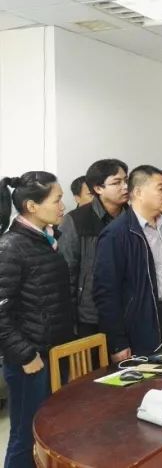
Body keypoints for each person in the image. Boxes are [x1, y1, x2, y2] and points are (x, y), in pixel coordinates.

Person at [0, 173, 74, 467]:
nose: (62, 206)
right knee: (25, 435)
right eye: (57, 200)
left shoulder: (45, 239)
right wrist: (25, 354)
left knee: (46, 431)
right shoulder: (11, 247)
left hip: (51, 351)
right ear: (32, 206)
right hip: (30, 360)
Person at [94, 166, 162, 361]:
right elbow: (106, 292)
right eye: (160, 188)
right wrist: (118, 342)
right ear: (138, 192)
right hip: (146, 320)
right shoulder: (117, 234)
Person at [59, 159, 129, 338]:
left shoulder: (133, 217)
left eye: (126, 180)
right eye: (117, 182)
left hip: (130, 308)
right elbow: (67, 273)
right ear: (98, 188)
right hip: (91, 314)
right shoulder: (76, 220)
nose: (125, 187)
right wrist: (70, 319)